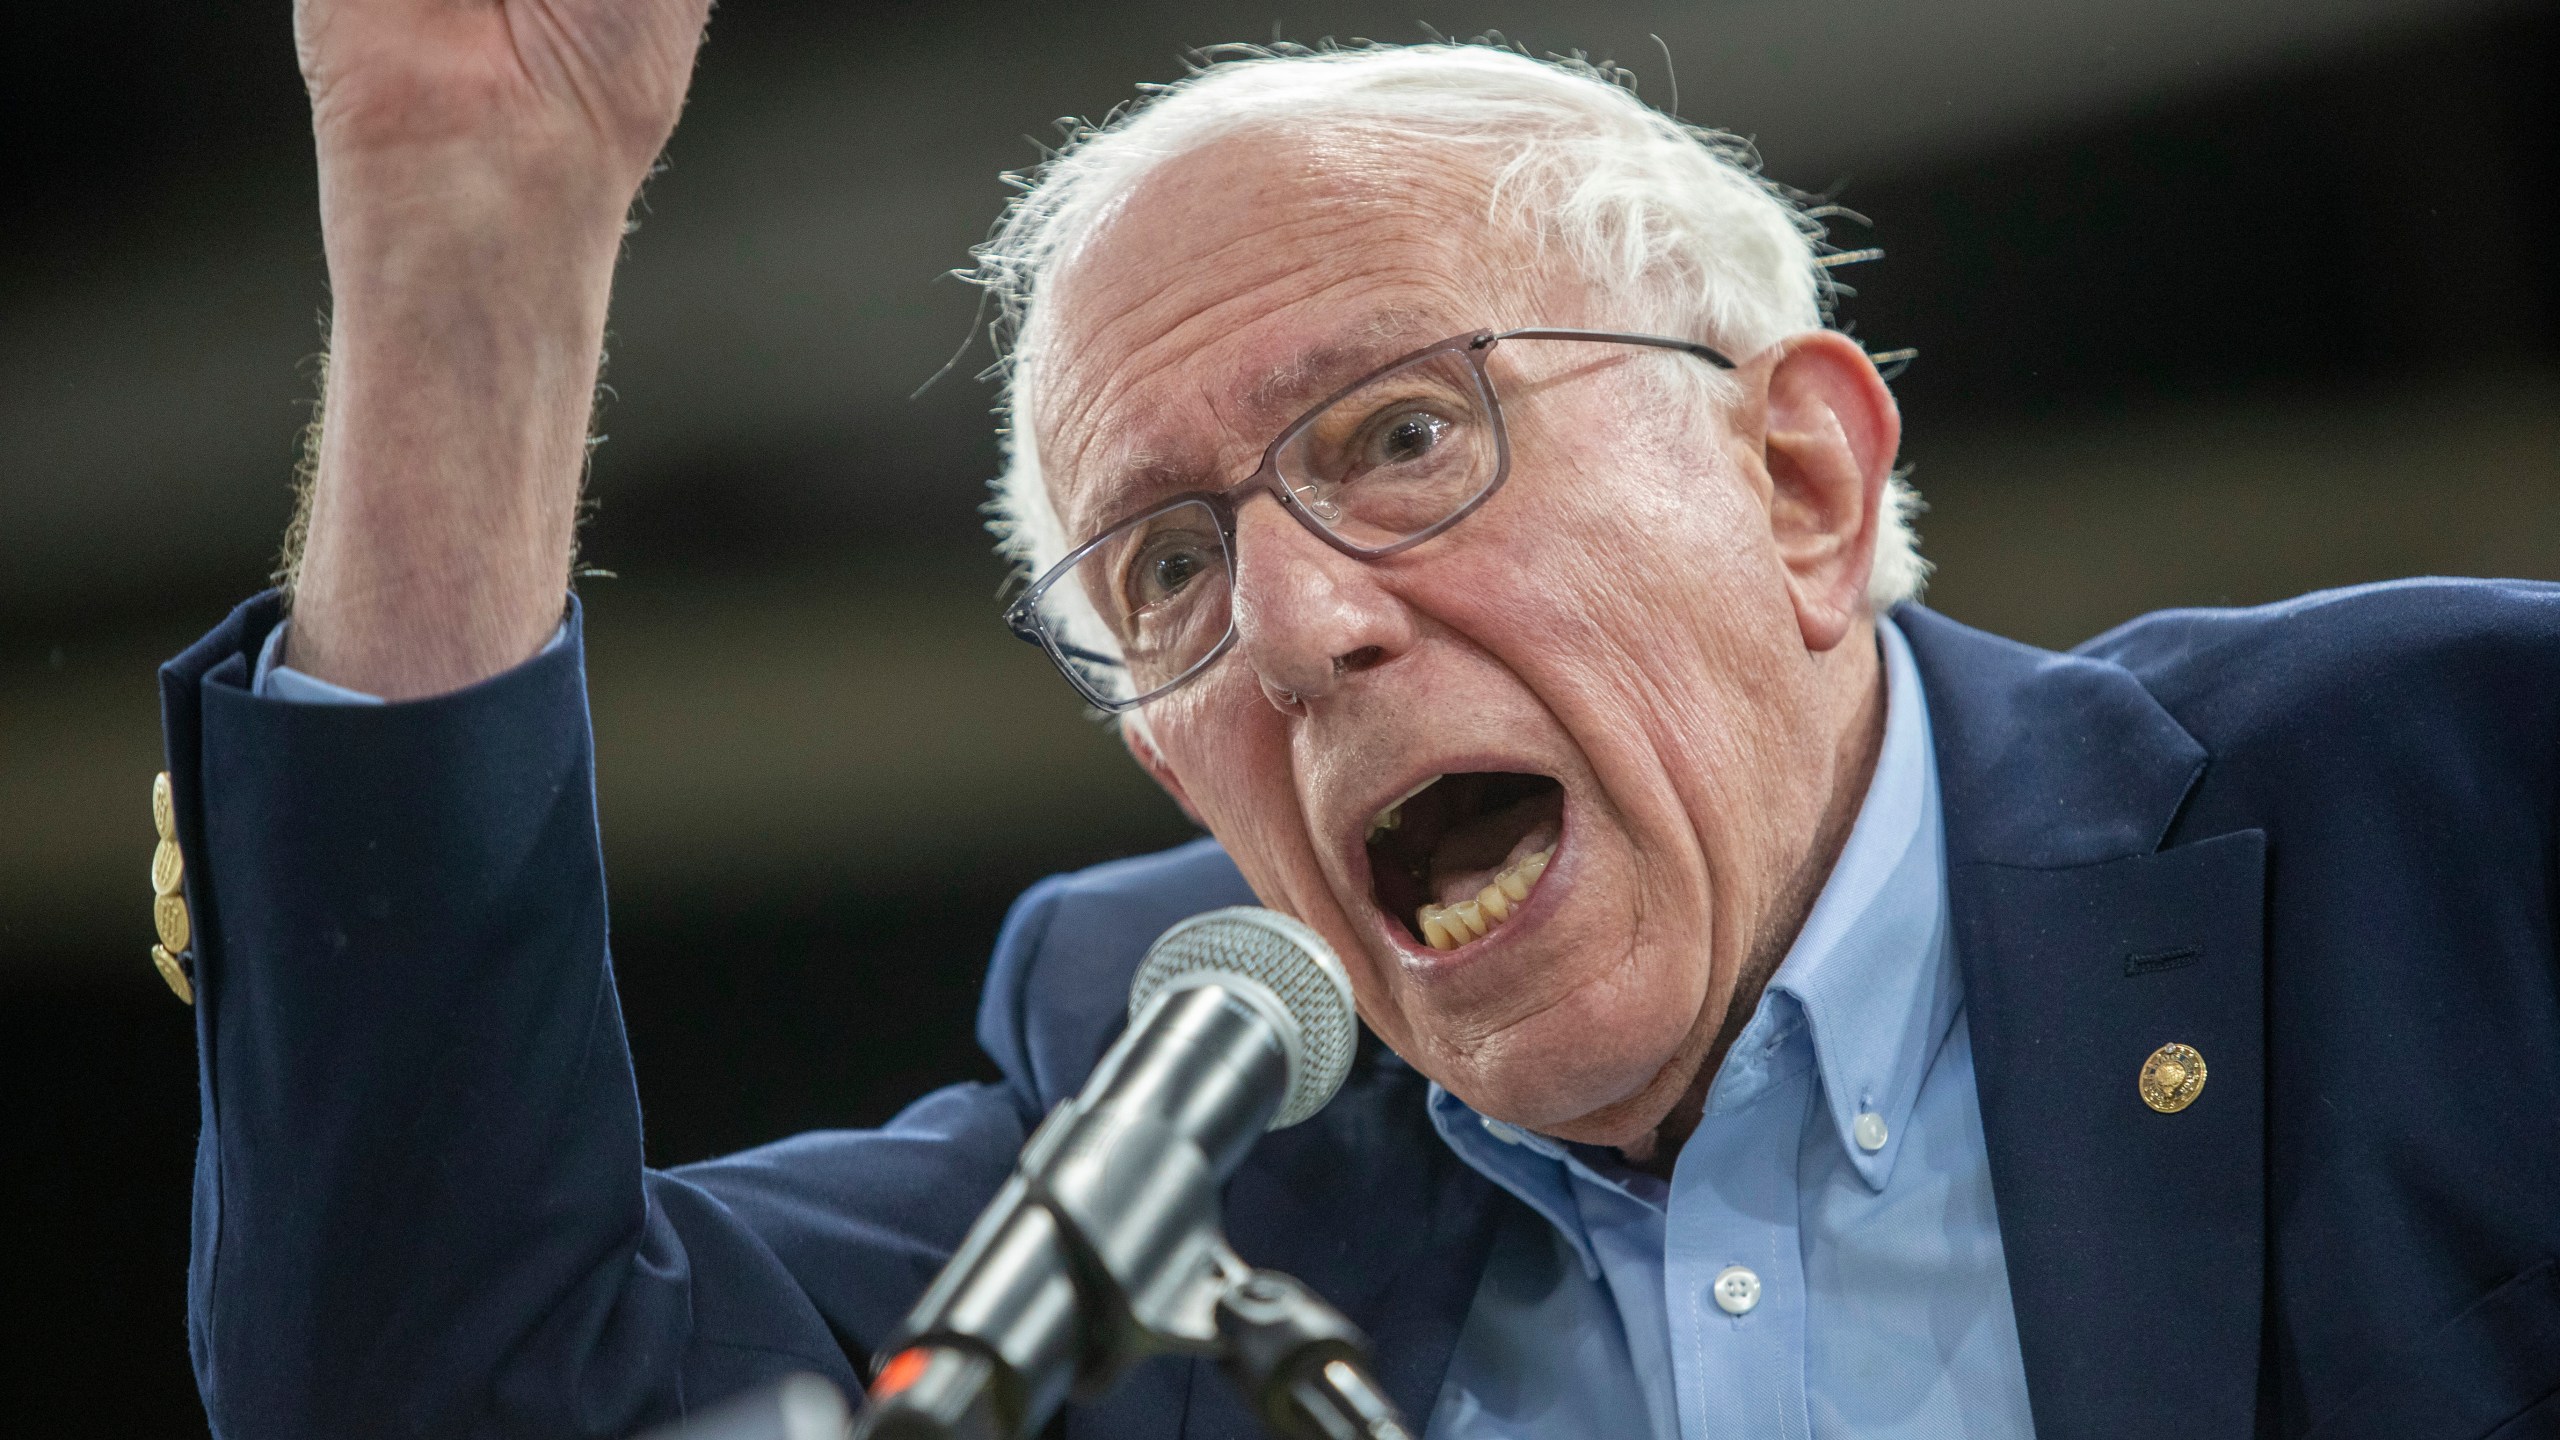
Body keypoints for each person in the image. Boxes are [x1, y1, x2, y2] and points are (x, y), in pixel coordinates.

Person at [150, 2, 2560, 1438]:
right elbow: (431, 1386)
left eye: (1402, 435)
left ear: (1801, 479)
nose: (1295, 625)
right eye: (1166, 570)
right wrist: (471, 234)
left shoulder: (2442, 802)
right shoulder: (1167, 1142)